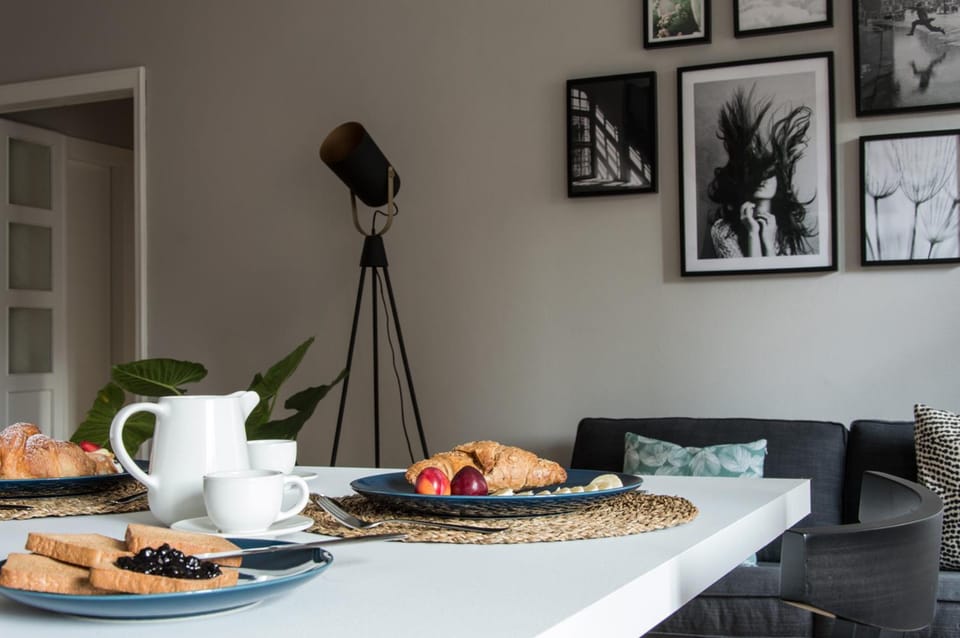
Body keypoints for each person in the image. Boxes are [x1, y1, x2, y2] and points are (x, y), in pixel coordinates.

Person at [705, 85, 816, 258]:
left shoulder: (786, 226)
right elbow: (747, 274)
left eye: (769, 173)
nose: (762, 179)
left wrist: (768, 244)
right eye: (756, 172)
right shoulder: (723, 229)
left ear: (779, 181)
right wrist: (752, 233)